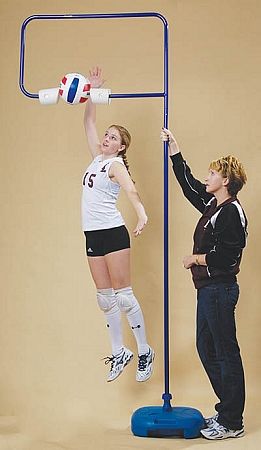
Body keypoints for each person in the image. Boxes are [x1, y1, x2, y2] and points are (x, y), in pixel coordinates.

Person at [160, 127, 247, 440]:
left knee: (225, 351)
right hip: (208, 291)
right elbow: (190, 187)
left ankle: (232, 422)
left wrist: (195, 258)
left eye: (212, 173)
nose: (207, 177)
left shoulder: (231, 211)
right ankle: (227, 412)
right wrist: (175, 150)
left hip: (220, 290)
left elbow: (225, 257)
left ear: (225, 180)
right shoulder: (214, 207)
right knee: (207, 346)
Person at [82, 67, 154, 383]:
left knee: (123, 294)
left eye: (113, 138)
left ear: (121, 147)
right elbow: (88, 122)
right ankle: (120, 351)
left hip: (112, 232)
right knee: (104, 297)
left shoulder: (114, 165)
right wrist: (92, 92)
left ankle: (144, 350)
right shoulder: (96, 159)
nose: (106, 139)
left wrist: (141, 215)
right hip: (92, 234)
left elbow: (131, 190)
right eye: (107, 135)